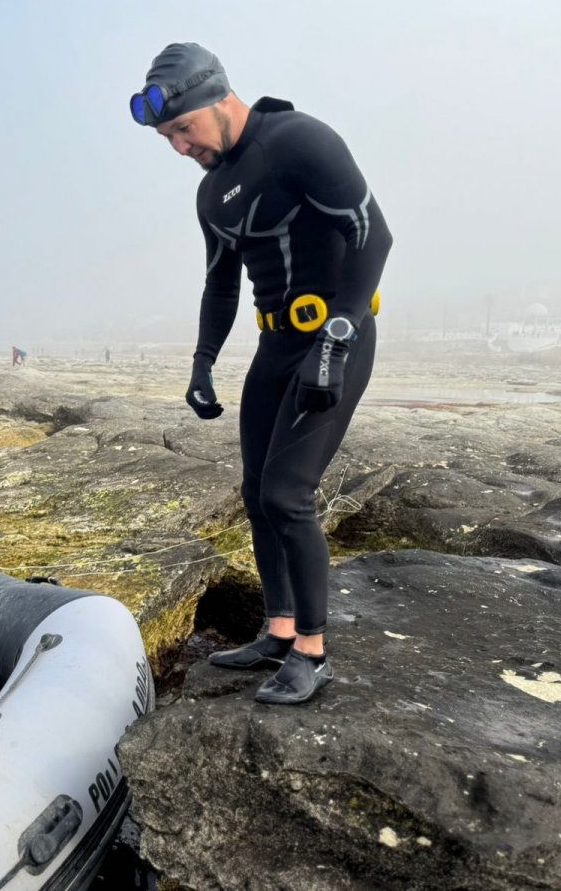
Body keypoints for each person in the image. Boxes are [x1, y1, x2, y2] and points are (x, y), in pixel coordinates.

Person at [131, 42, 392, 704]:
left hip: (338, 335)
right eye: (167, 137)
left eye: (182, 130)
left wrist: (338, 335)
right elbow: (221, 286)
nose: (179, 147)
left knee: (287, 496)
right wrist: (202, 360)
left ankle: (312, 651)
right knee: (256, 494)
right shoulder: (211, 192)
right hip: (276, 347)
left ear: (219, 101)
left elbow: (373, 235)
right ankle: (276, 631)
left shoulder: (300, 140)